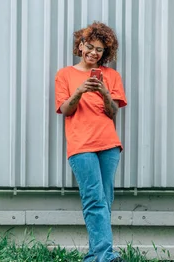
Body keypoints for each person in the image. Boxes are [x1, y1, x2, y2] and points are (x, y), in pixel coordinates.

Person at [54, 21, 127, 262]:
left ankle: (96, 255)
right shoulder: (65, 74)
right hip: (81, 147)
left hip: (108, 146)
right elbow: (65, 109)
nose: (94, 53)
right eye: (90, 46)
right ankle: (105, 256)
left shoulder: (111, 76)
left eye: (100, 50)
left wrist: (104, 91)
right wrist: (80, 91)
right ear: (80, 45)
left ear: (106, 53)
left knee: (105, 200)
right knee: (94, 199)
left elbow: (112, 111)